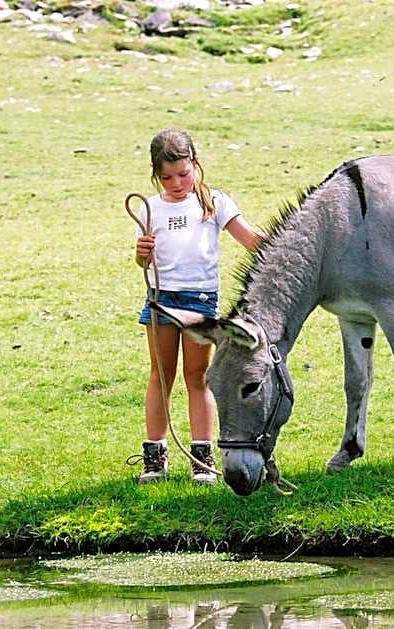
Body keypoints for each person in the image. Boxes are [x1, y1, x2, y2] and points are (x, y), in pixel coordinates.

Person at [131, 128, 262, 485]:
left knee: (197, 376)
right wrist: (141, 256)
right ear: (156, 175)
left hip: (199, 301)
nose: (176, 183)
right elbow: (144, 262)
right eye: (167, 177)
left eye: (183, 173)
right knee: (161, 375)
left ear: (196, 164)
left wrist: (290, 250)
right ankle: (154, 458)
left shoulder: (214, 202)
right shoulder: (151, 208)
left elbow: (250, 239)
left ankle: (201, 457)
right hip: (160, 299)